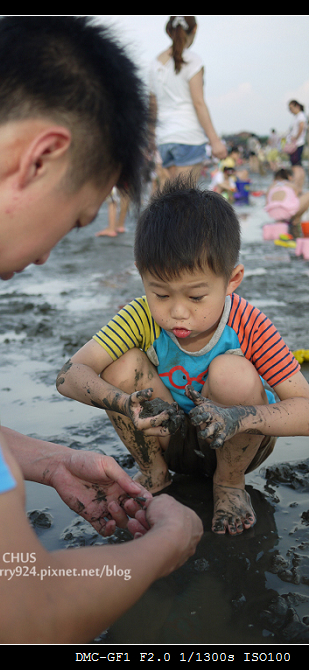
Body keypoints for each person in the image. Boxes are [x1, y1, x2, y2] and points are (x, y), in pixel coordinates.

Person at [0, 17, 203, 644]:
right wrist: (169, 541)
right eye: (76, 219)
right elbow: (25, 621)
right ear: (41, 157)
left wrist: (55, 460)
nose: (47, 256)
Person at [57, 177, 309, 537]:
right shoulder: (141, 316)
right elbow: (70, 375)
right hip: (167, 435)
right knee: (123, 366)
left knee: (232, 373)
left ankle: (229, 484)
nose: (177, 313)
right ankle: (154, 473)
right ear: (142, 277)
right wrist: (124, 403)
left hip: (238, 440)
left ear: (231, 280)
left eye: (195, 297)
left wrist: (238, 417)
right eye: (160, 294)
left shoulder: (249, 324)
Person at [148, 16, 226, 184]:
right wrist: (215, 141)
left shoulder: (155, 63)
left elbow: (152, 108)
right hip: (188, 136)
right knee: (184, 202)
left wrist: (150, 140)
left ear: (169, 30)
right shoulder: (193, 61)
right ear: (195, 29)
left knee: (171, 199)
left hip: (164, 139)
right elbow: (198, 103)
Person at [265, 168, 309, 237]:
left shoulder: (271, 187)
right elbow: (297, 199)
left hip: (273, 214)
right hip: (287, 212)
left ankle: (282, 221)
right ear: (289, 177)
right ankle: (296, 220)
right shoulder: (291, 185)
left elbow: (266, 203)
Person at [285, 100, 308, 194]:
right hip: (298, 143)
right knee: (298, 166)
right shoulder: (298, 116)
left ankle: (297, 187)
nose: (290, 110)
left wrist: (295, 138)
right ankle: (299, 187)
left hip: (297, 144)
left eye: (291, 108)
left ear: (297, 106)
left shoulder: (301, 116)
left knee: (296, 166)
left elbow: (301, 126)